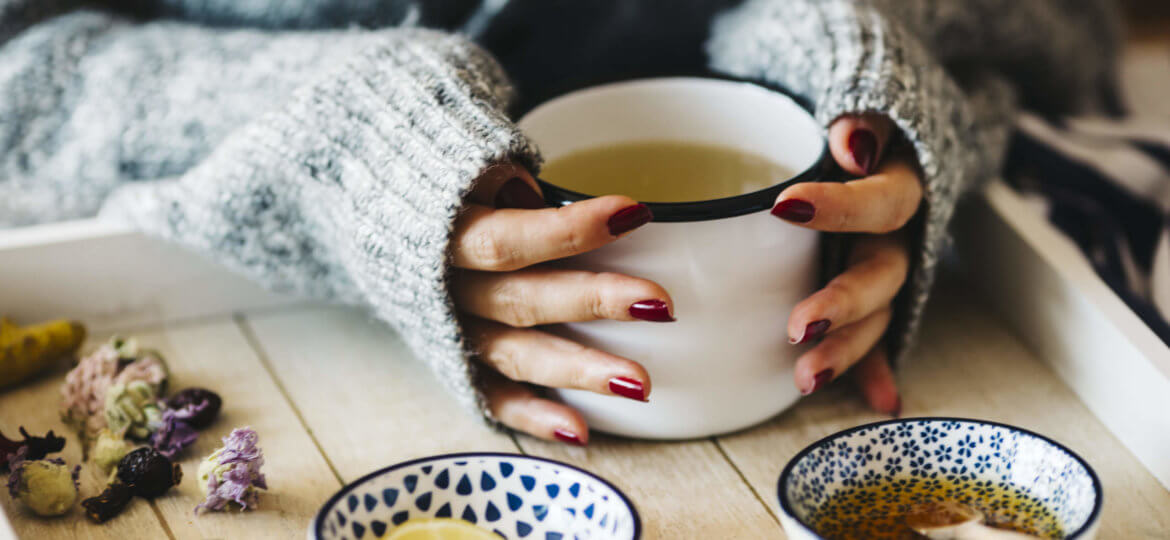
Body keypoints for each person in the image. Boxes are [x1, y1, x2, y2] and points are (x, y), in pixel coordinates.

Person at [0, 0, 1120, 444]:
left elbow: (1076, 38)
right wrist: (344, 141)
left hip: (1001, 353)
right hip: (289, 367)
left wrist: (869, 40)